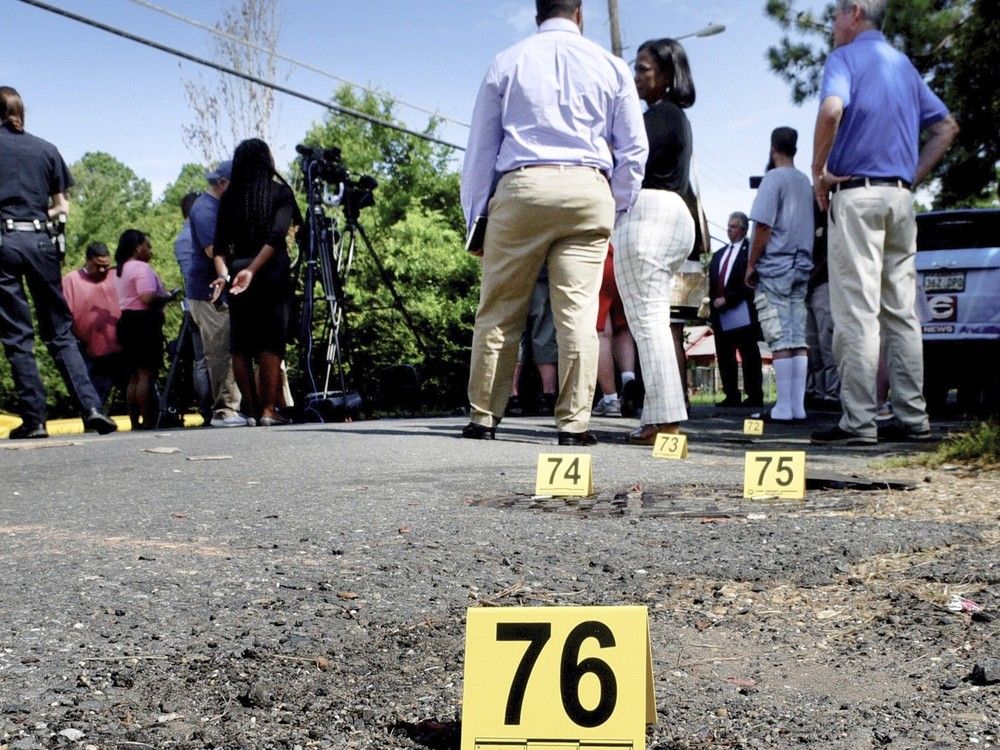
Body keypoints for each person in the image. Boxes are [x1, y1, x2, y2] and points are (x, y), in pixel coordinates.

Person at [460, 0, 647, 445]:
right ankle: (574, 425)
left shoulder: (507, 62)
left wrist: (477, 218)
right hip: (588, 189)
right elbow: (634, 150)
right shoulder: (612, 66)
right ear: (579, 13)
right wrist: (614, 205)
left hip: (523, 188)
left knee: (501, 309)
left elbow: (480, 151)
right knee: (579, 314)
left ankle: (484, 417)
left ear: (537, 14)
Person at [810, 0, 958, 445]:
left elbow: (832, 110)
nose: (833, 24)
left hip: (856, 195)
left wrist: (818, 171)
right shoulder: (904, 66)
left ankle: (859, 422)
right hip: (900, 197)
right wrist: (908, 178)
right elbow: (947, 128)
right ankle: (914, 418)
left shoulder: (844, 58)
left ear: (855, 12)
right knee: (901, 311)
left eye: (835, 14)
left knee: (856, 312)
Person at [0, 85, 117, 439]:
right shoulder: (46, 150)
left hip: (3, 241)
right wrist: (39, 215)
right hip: (40, 240)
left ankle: (35, 420)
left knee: (18, 334)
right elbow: (61, 207)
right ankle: (92, 407)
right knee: (59, 330)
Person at [612, 37, 696, 445]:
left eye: (642, 69)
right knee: (654, 322)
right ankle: (663, 414)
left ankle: (663, 419)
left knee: (647, 323)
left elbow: (622, 160)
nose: (636, 76)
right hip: (673, 214)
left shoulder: (661, 116)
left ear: (665, 74)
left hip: (649, 214)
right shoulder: (673, 117)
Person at [210, 139, 301, 427]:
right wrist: (253, 270)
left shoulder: (229, 198)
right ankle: (268, 410)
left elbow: (220, 247)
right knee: (271, 344)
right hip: (270, 271)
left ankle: (249, 410)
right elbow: (276, 238)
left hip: (237, 274)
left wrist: (226, 276)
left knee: (242, 345)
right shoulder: (280, 193)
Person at [745, 127, 814, 424]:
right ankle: (796, 406)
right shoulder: (804, 181)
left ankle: (783, 407)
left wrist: (751, 264)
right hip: (802, 265)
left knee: (779, 336)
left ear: (773, 147)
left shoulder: (773, 179)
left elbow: (763, 226)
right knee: (798, 335)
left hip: (775, 265)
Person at [187, 163, 249, 428]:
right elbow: (215, 251)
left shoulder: (216, 207)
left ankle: (234, 407)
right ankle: (224, 410)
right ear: (223, 183)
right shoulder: (204, 209)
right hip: (208, 292)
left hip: (218, 290)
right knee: (219, 350)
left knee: (228, 348)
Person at [115, 229, 177, 430]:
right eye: (148, 246)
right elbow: (147, 297)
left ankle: (134, 421)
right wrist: (168, 296)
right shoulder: (142, 269)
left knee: (133, 375)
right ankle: (148, 419)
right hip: (144, 323)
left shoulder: (121, 269)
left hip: (126, 321)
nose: (151, 251)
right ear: (138, 247)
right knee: (146, 374)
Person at [709, 212, 763, 408]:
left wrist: (729, 299)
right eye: (728, 226)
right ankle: (731, 394)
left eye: (733, 226)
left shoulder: (750, 252)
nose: (729, 230)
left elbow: (750, 280)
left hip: (742, 309)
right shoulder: (719, 255)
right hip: (720, 313)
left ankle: (754, 394)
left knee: (749, 354)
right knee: (724, 355)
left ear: (743, 229)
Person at [61, 241, 124, 407]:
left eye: (106, 265)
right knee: (95, 393)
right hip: (87, 349)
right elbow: (63, 317)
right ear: (88, 260)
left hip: (120, 346)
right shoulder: (71, 281)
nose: (103, 270)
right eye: (98, 266)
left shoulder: (115, 275)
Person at [173, 191, 213, 424]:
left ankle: (206, 409)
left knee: (200, 359)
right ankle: (218, 405)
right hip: (207, 299)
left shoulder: (180, 238)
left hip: (189, 302)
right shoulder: (200, 232)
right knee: (216, 356)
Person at [592, 244, 637, 417]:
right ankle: (628, 381)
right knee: (622, 326)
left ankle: (610, 399)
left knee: (601, 330)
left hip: (602, 255)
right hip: (626, 257)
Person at [507, 266, 558, 418]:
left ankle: (512, 398)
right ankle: (549, 397)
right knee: (545, 332)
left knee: (514, 333)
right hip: (542, 273)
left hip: (512, 273)